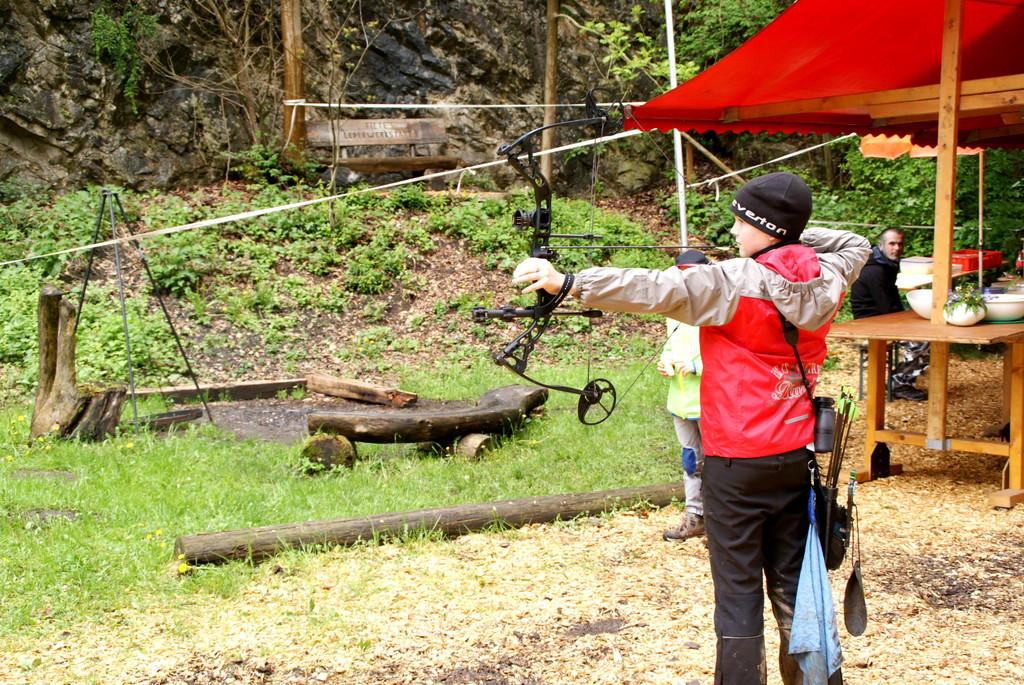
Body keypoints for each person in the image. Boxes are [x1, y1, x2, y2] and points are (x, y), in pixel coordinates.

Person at [511, 171, 869, 685]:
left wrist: (567, 282)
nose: (734, 231)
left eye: (741, 221)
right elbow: (855, 242)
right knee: (796, 585)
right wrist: (787, 243)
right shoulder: (829, 273)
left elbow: (653, 287)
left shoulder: (730, 281)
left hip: (735, 465)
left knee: (739, 594)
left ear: (765, 226)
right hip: (794, 458)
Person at [659, 250, 710, 543]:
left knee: (718, 464)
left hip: (709, 402)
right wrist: (665, 362)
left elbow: (729, 356)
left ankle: (720, 521)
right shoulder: (674, 309)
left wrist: (696, 366)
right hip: (679, 401)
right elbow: (670, 346)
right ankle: (695, 516)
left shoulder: (716, 308)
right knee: (691, 461)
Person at [849, 227, 929, 401]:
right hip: (870, 322)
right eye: (892, 244)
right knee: (922, 341)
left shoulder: (886, 263)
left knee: (927, 333)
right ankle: (899, 384)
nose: (897, 248)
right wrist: (908, 323)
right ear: (881, 245)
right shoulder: (874, 269)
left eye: (900, 244)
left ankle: (901, 378)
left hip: (883, 318)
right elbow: (885, 306)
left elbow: (892, 298)